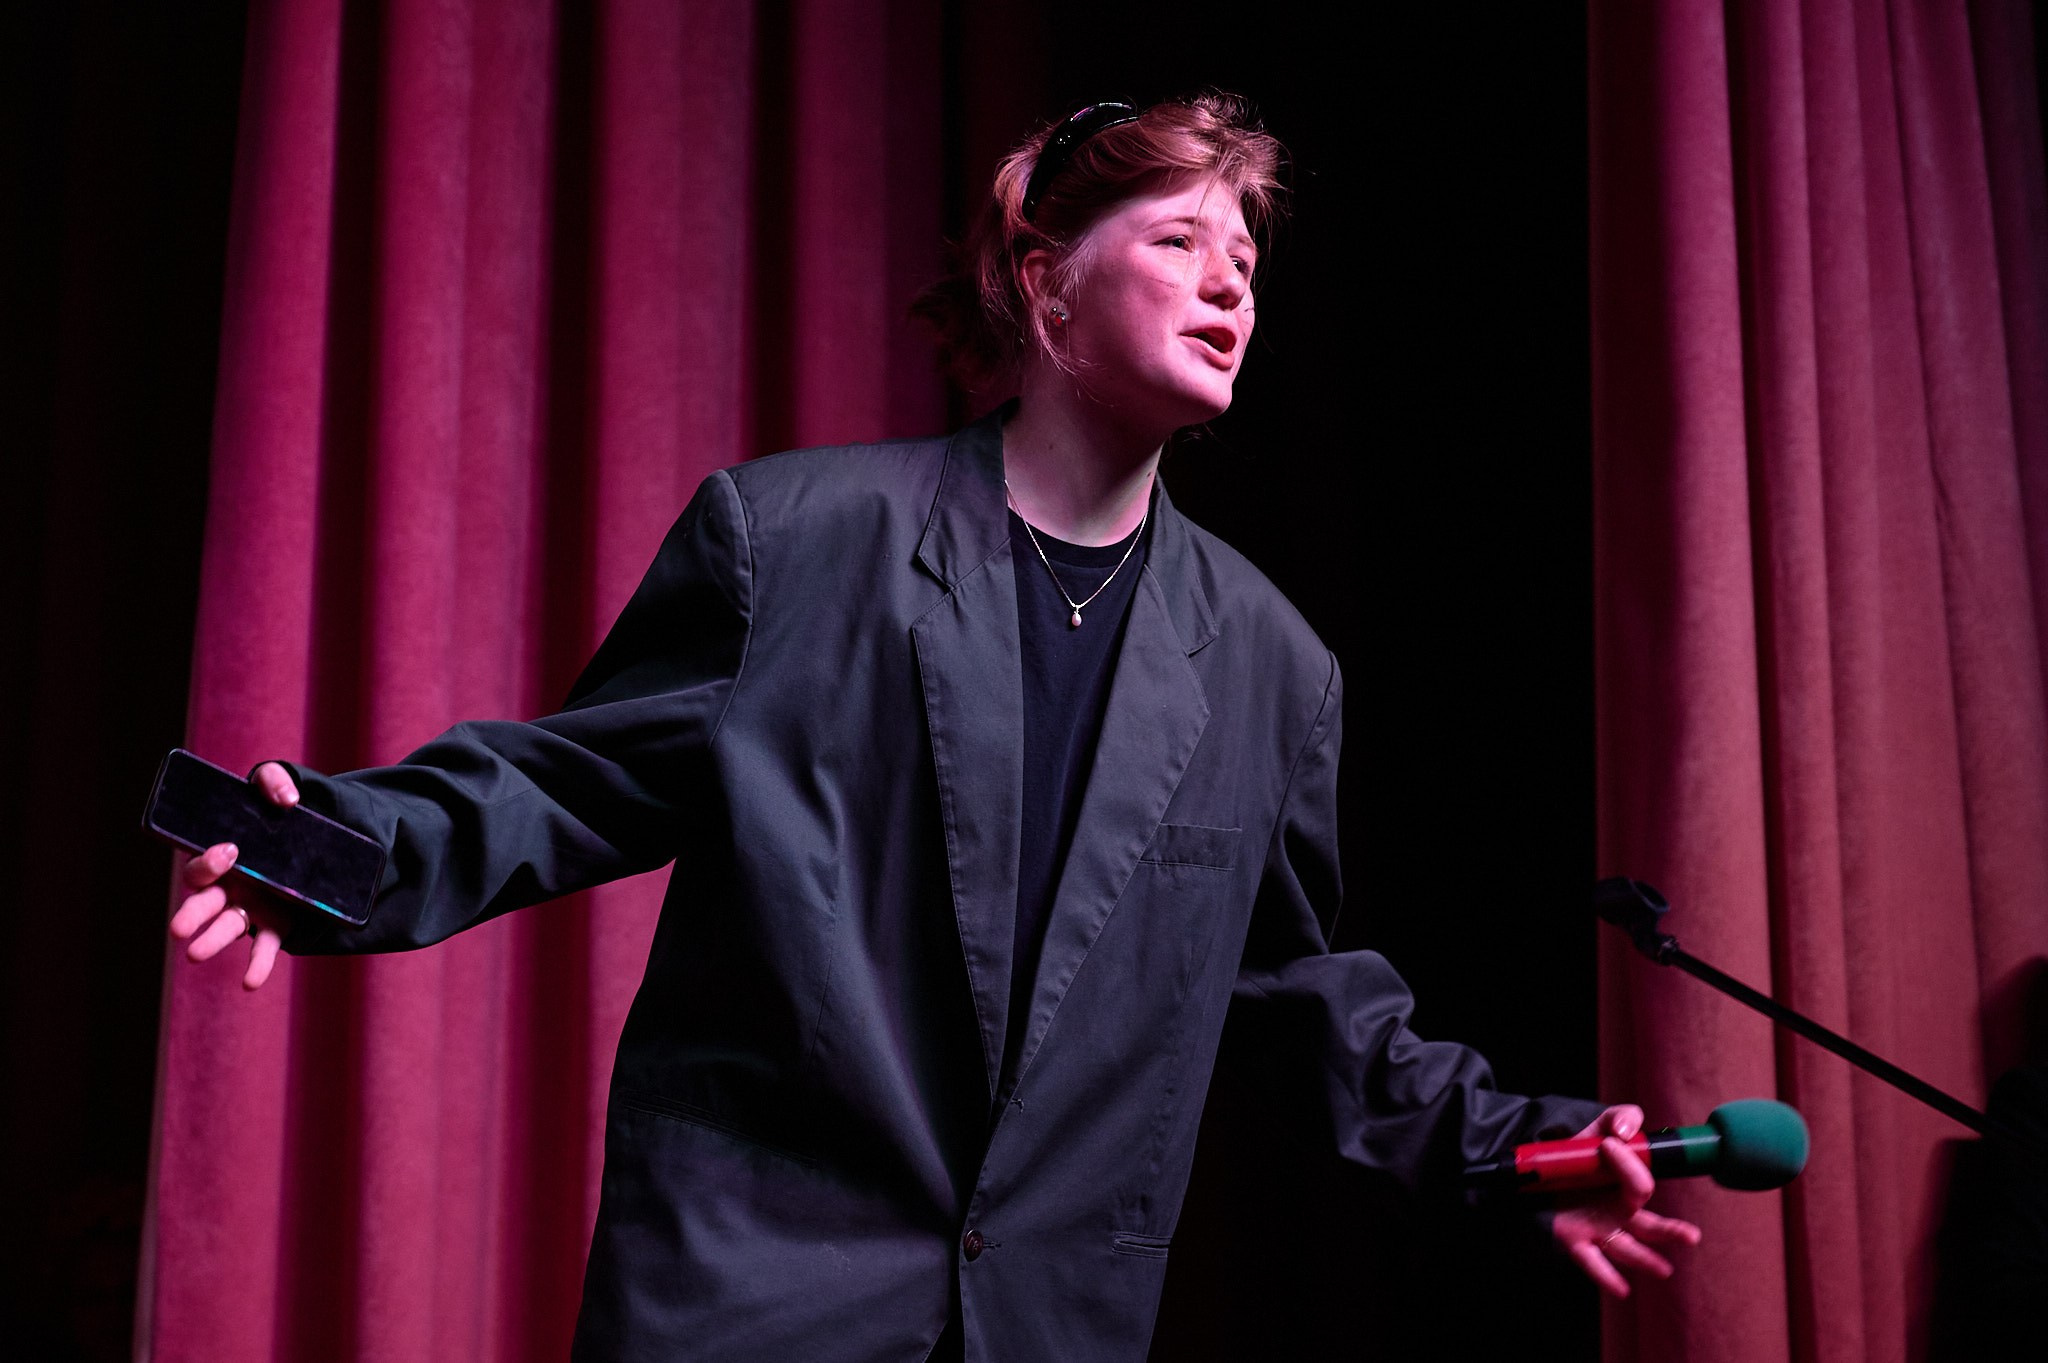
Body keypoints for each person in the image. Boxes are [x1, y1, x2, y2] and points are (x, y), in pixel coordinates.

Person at [170, 93, 1699, 1360]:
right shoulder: (796, 541)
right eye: (1180, 241)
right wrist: (315, 854)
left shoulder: (1273, 670)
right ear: (1042, 283)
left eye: (1246, 254)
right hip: (750, 1302)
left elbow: (1292, 993)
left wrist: (1509, 1153)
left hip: (1046, 1326)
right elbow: (561, 789)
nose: (1235, 283)